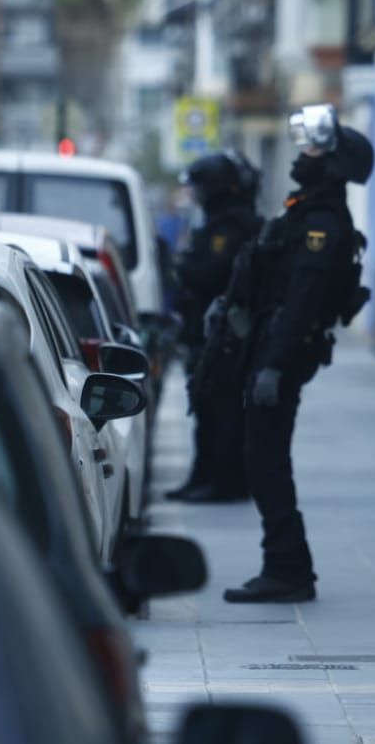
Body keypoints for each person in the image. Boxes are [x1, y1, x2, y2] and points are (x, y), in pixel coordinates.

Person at [220, 103, 373, 604]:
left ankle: (286, 568)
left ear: (331, 162)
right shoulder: (303, 210)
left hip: (281, 353)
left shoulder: (322, 223)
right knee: (259, 454)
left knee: (266, 458)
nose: (301, 154)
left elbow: (303, 304)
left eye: (311, 147)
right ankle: (286, 564)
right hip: (269, 347)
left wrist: (274, 365)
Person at [167, 151, 263, 505]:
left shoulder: (232, 227)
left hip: (226, 338)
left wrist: (181, 265)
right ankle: (203, 476)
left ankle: (223, 481)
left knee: (221, 413)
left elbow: (211, 274)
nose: (193, 195)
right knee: (206, 411)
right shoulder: (217, 223)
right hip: (207, 334)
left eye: (198, 187)